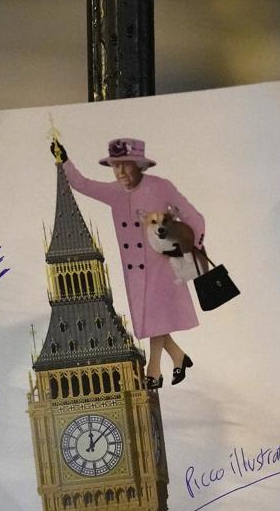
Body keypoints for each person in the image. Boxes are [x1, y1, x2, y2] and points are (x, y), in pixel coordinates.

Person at [53, 135, 204, 386]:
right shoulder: (114, 192)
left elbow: (194, 217)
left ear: (139, 165)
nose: (120, 171)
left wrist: (191, 247)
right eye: (115, 165)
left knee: (155, 316)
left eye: (125, 164)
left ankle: (153, 371)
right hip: (134, 272)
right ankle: (178, 357)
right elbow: (82, 184)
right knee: (151, 318)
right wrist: (64, 160)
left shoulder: (161, 186)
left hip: (163, 266)